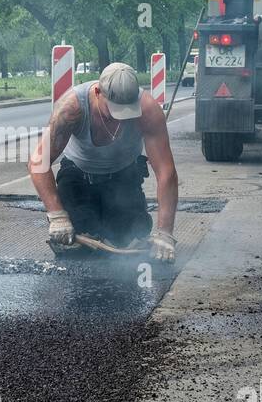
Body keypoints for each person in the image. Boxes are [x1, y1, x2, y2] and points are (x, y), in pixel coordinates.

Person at [27, 62, 179, 262]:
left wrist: (165, 233)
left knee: (132, 235)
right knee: (78, 243)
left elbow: (166, 172)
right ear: (98, 92)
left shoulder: (148, 110)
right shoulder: (72, 108)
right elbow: (38, 162)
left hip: (124, 176)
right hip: (78, 177)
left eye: (128, 111)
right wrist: (57, 216)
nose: (121, 120)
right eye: (115, 110)